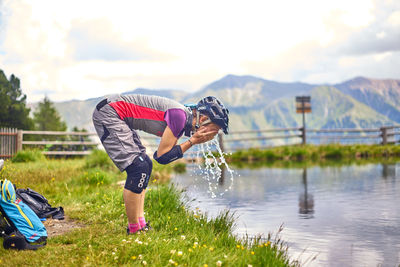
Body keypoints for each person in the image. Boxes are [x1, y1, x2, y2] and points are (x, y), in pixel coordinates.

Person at [92, 94, 229, 234]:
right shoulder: (180, 117)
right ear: (204, 119)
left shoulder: (183, 119)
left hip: (117, 114)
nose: (213, 135)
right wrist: (192, 141)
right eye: (214, 129)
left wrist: (191, 141)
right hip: (109, 112)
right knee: (138, 168)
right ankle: (134, 230)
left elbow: (163, 157)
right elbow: (162, 156)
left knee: (145, 164)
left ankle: (141, 224)